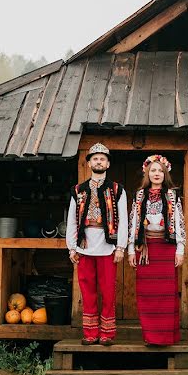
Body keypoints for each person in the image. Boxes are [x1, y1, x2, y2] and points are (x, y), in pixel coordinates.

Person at [65, 143, 128, 346]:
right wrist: (72, 247)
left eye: (102, 158)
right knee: (87, 290)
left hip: (108, 247)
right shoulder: (78, 190)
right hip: (84, 247)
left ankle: (107, 334)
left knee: (108, 290)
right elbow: (72, 221)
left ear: (108, 163)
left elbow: (124, 220)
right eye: (95, 158)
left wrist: (120, 247)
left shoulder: (117, 190)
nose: (99, 161)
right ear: (89, 163)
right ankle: (90, 333)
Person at [127, 154, 186, 346]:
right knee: (147, 293)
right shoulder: (139, 195)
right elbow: (133, 222)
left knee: (166, 294)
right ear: (147, 173)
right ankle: (151, 337)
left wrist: (180, 249)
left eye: (160, 170)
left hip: (166, 248)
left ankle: (166, 337)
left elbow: (180, 222)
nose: (157, 173)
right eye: (153, 170)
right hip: (146, 249)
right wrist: (130, 249)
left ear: (165, 173)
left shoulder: (172, 194)